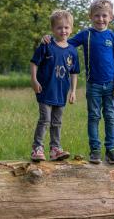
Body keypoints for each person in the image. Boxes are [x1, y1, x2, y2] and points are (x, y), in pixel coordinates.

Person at [42, 0, 114, 164]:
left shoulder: (113, 37)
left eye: (104, 16)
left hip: (110, 86)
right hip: (93, 85)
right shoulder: (86, 35)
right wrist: (49, 39)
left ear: (111, 17)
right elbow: (65, 43)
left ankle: (110, 149)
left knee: (110, 117)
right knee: (94, 117)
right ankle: (95, 150)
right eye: (97, 16)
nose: (100, 19)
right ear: (90, 16)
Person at [30, 9, 80, 162]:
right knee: (45, 120)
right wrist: (34, 80)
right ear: (53, 29)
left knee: (57, 122)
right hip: (45, 90)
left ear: (71, 29)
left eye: (66, 27)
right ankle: (37, 148)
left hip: (61, 93)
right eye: (59, 27)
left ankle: (55, 149)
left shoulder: (72, 51)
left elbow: (74, 72)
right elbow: (34, 63)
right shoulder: (47, 45)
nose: (63, 30)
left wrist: (73, 91)